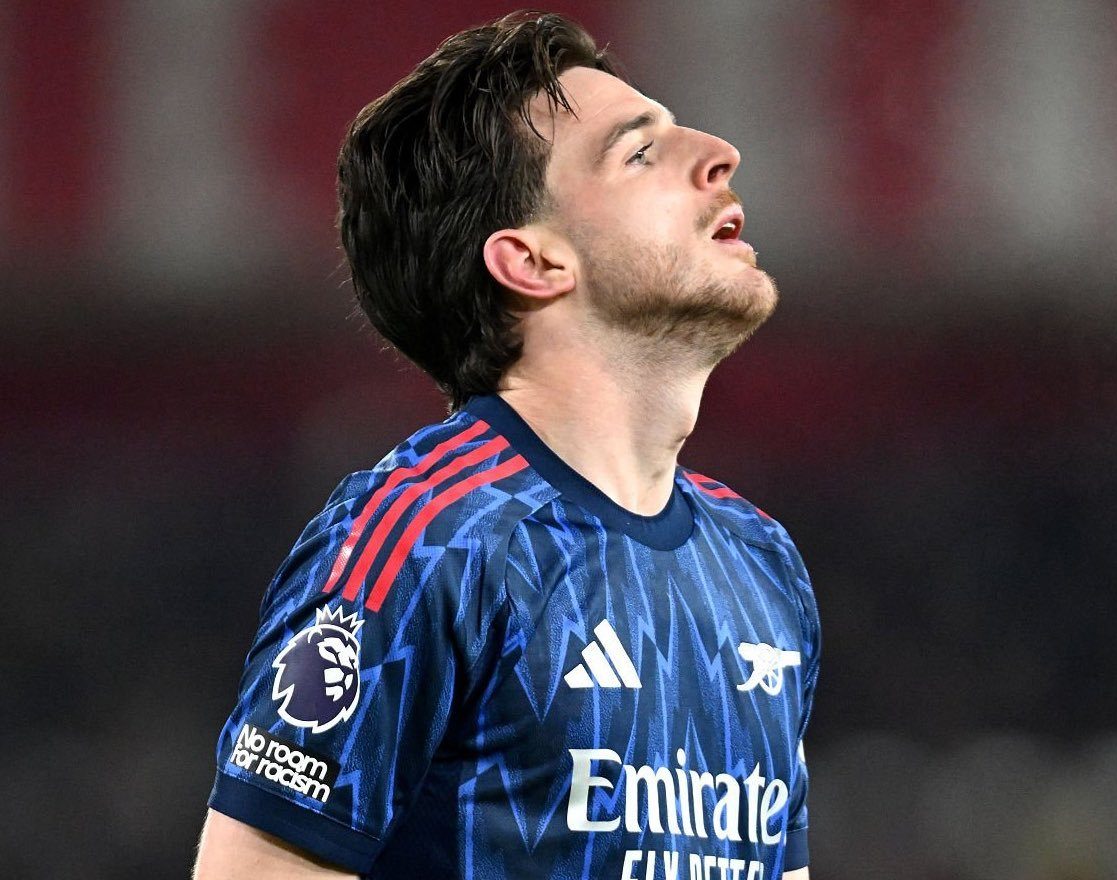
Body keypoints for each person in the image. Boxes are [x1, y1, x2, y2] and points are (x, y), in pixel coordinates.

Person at [193, 11, 819, 880]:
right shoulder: (428, 537)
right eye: (640, 152)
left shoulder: (761, 562)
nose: (720, 154)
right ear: (533, 261)